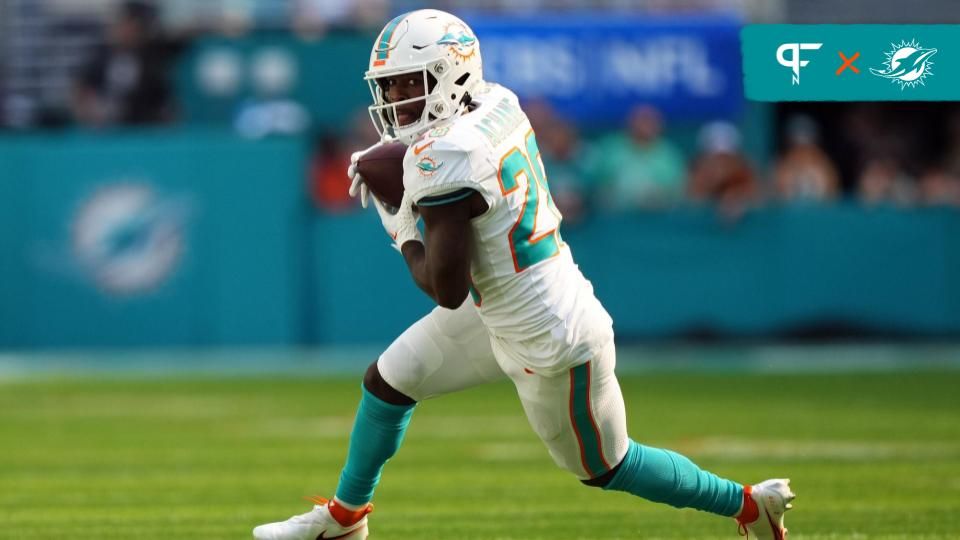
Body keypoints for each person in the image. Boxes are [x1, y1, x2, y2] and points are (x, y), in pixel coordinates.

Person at [253, 10, 795, 540]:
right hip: (505, 303)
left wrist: (398, 222)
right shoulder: (495, 100)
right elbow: (444, 160)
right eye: (389, 88)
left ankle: (749, 504)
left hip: (549, 339)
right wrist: (407, 170)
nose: (395, 101)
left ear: (448, 75)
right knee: (388, 382)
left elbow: (445, 288)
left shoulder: (450, 155)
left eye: (406, 85)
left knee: (608, 466)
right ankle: (346, 520)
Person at [72, 1, 176, 126]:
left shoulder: (154, 61)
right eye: (122, 24)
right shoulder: (100, 56)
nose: (123, 30)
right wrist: (88, 110)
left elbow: (164, 103)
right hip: (104, 129)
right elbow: (82, 89)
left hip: (141, 128)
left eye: (132, 26)